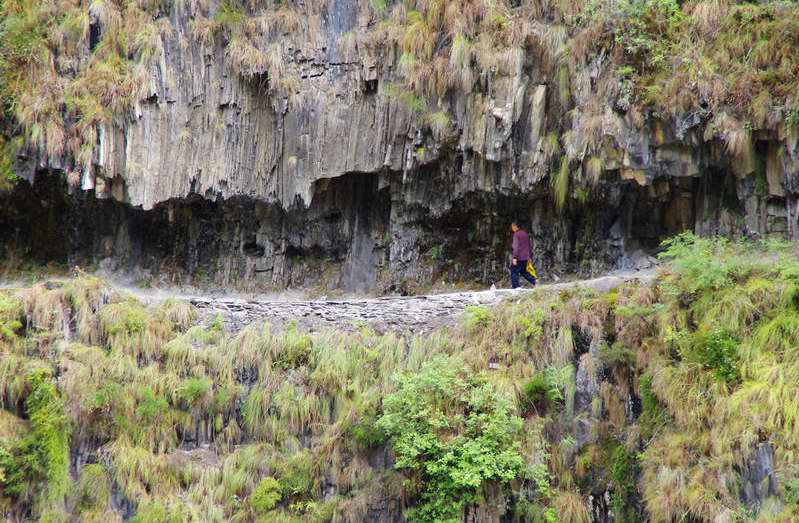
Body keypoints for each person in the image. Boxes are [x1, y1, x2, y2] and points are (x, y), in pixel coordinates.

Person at [510, 220, 536, 288]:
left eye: (512, 226)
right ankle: (535, 281)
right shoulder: (525, 233)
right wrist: (529, 257)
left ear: (515, 226)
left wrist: (515, 257)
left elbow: (516, 246)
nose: (512, 228)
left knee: (514, 270)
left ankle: (516, 287)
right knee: (523, 271)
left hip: (519, 257)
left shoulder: (516, 234)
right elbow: (529, 246)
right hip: (525, 257)